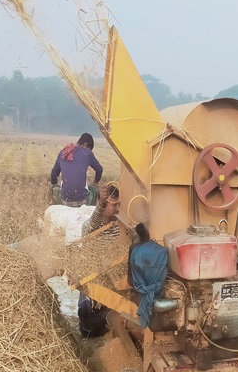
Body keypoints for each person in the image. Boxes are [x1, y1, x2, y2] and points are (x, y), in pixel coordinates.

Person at [77, 183, 120, 337]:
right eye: (113, 205)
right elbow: (93, 224)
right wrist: (101, 204)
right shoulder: (89, 227)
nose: (117, 209)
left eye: (119, 205)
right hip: (94, 279)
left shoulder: (121, 228)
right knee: (86, 316)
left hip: (113, 280)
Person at [128, 223, 169, 329]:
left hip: (139, 287)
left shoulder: (133, 248)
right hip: (156, 288)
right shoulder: (161, 251)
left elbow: (130, 272)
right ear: (148, 233)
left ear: (138, 235)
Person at [50, 133, 103, 207]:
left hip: (64, 200)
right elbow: (99, 169)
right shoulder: (87, 153)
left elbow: (54, 174)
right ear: (85, 144)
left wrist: (54, 185)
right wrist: (95, 183)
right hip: (83, 201)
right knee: (95, 190)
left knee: (54, 189)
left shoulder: (63, 152)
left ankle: (56, 206)